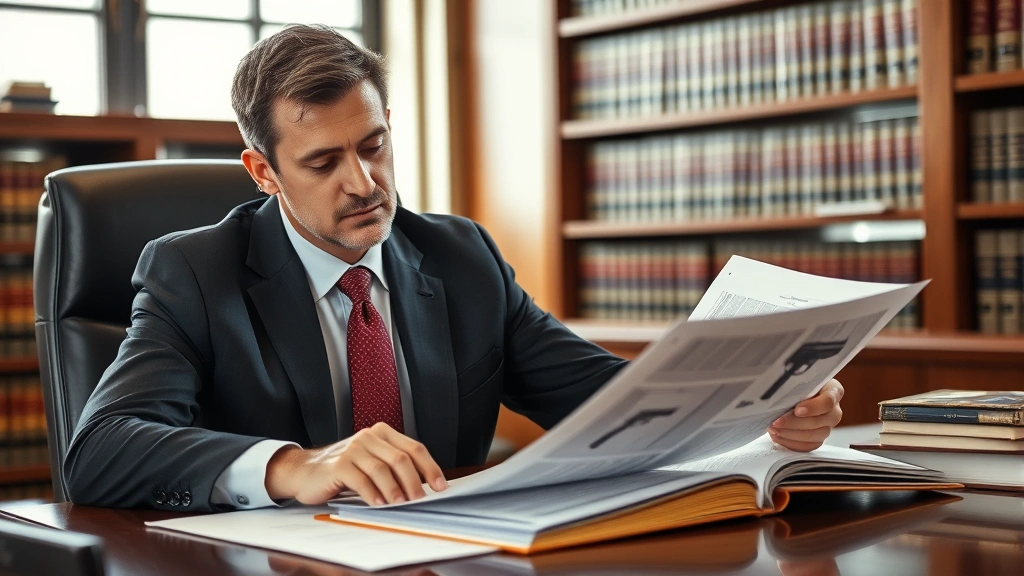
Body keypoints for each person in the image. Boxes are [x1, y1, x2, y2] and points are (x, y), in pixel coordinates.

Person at [63, 25, 845, 512]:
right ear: (262, 172)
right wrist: (293, 467)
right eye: (323, 161)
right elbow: (98, 451)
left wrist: (761, 402)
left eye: (372, 146)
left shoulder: (460, 256)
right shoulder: (192, 272)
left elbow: (613, 402)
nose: (364, 183)